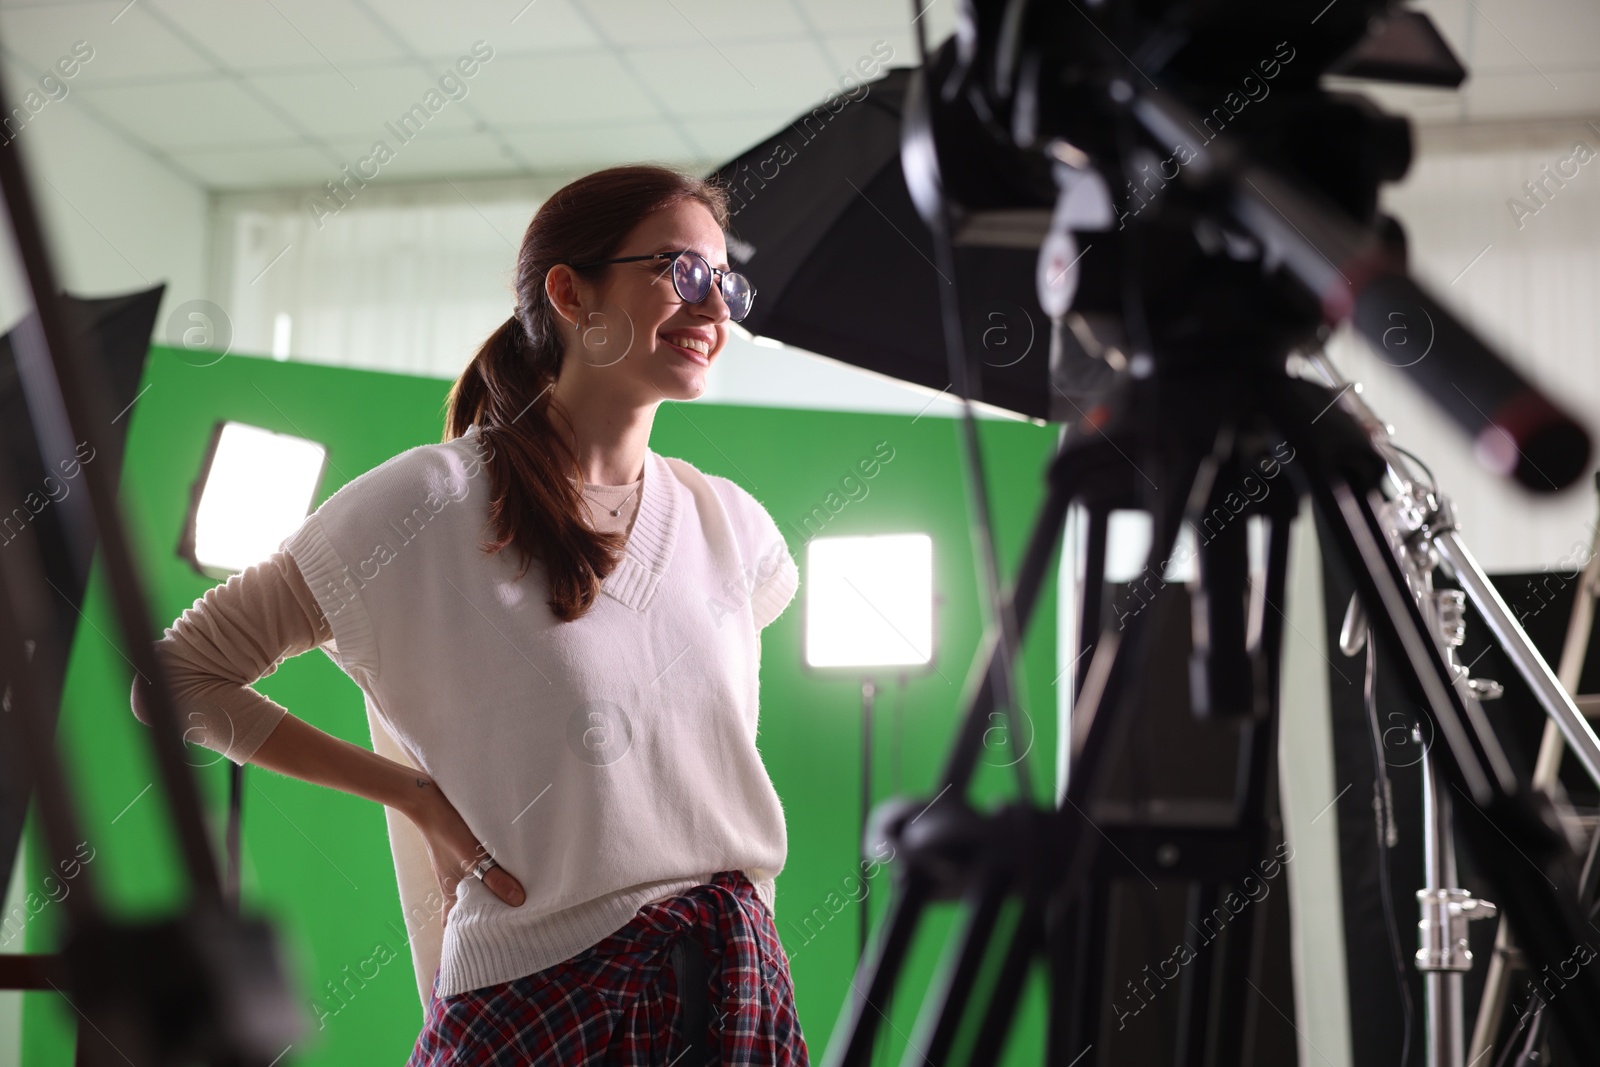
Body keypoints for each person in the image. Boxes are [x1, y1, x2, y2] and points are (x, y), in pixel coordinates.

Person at [130, 164, 807, 1065]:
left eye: (727, 284)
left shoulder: (736, 527)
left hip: (734, 993)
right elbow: (175, 678)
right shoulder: (426, 502)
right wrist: (413, 797)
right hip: (542, 999)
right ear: (569, 291)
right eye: (682, 273)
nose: (712, 308)